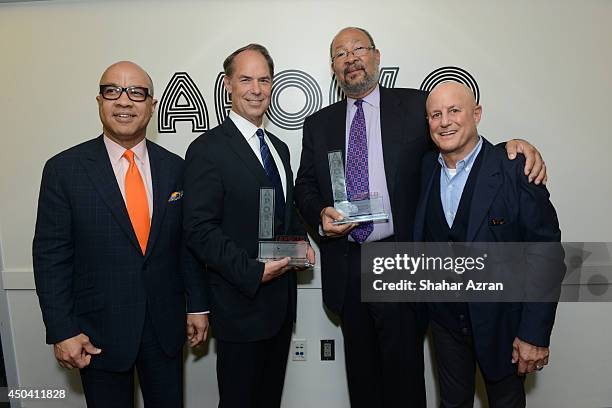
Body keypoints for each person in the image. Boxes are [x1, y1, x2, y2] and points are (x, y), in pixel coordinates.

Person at [294, 27, 547, 408]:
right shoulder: (319, 124)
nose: (351, 58)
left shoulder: (415, 106)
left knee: (405, 379)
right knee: (362, 380)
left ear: (377, 57)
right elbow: (304, 186)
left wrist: (515, 147)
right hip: (346, 264)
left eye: (358, 49)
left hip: (401, 261)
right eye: (340, 53)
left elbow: (460, 141)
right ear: (333, 67)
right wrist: (319, 214)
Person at [33, 61, 209, 408]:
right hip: (98, 334)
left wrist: (198, 306)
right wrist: (62, 329)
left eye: (136, 93)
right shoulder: (64, 170)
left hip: (164, 329)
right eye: (113, 91)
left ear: (152, 104)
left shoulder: (175, 167)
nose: (124, 101)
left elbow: (185, 245)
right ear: (99, 101)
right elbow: (50, 257)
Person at [414, 81, 564, 407]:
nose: (445, 121)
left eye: (455, 110)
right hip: (444, 325)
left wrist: (534, 334)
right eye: (435, 114)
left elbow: (546, 254)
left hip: (504, 327)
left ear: (477, 114)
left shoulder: (514, 168)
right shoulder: (425, 169)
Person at [183, 44, 315, 408]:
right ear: (228, 84)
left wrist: (302, 244)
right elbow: (198, 228)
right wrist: (253, 271)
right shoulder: (207, 149)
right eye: (246, 79)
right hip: (239, 307)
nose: (256, 89)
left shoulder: (278, 147)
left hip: (280, 307)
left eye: (264, 79)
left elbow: (284, 215)